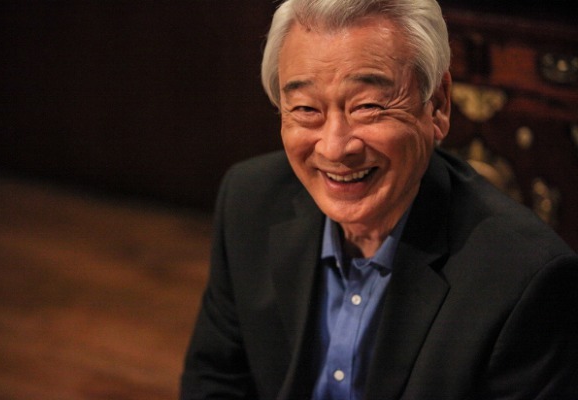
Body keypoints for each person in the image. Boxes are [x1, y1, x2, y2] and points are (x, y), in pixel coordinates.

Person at [180, 0, 578, 398]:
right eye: (306, 109)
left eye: (368, 106)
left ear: (438, 105)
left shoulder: (524, 280)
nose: (335, 147)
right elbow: (216, 380)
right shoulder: (249, 201)